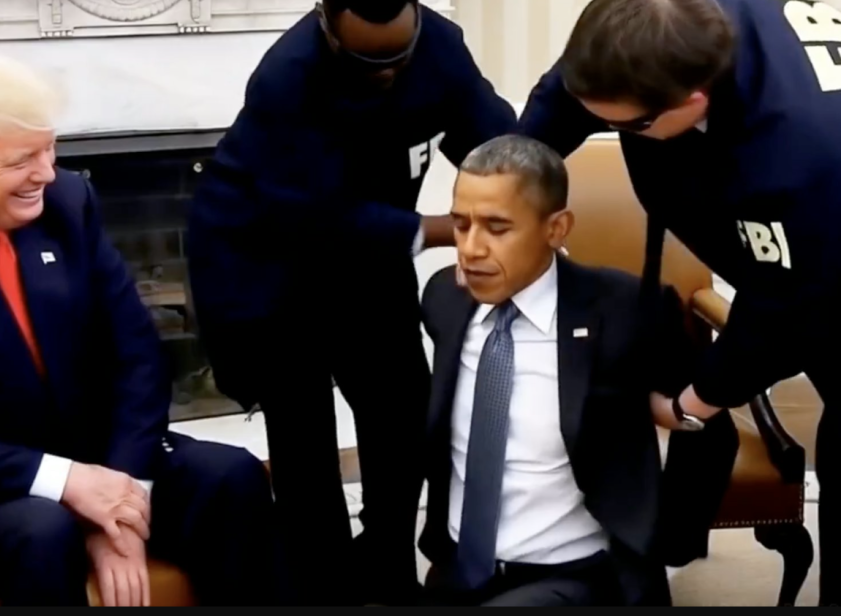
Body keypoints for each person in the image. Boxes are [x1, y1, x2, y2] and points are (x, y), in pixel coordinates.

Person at [0, 55, 280, 607]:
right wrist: (68, 482)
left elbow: (136, 352)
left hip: (98, 458)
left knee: (230, 477)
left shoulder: (67, 202)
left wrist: (123, 500)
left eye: (49, 149)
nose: (46, 172)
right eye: (22, 160)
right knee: (45, 532)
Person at [185, 0, 517, 604]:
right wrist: (455, 229)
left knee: (404, 418)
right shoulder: (285, 77)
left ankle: (388, 573)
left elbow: (495, 142)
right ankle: (325, 589)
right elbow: (315, 217)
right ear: (326, 23)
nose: (386, 73)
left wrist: (516, 205)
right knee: (304, 440)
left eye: (399, 57)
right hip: (267, 262)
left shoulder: (440, 44)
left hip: (369, 258)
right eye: (365, 62)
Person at [517, 0, 840, 603]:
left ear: (694, 101)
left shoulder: (795, 154)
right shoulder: (648, 26)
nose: (607, 128)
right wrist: (512, 183)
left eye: (627, 125)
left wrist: (691, 405)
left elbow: (787, 310)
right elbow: (567, 94)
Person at [418, 135, 736, 606]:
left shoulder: (627, 311)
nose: (471, 248)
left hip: (577, 576)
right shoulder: (444, 298)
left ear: (556, 228)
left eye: (497, 228)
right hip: (458, 572)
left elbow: (712, 433)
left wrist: (667, 542)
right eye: (461, 225)